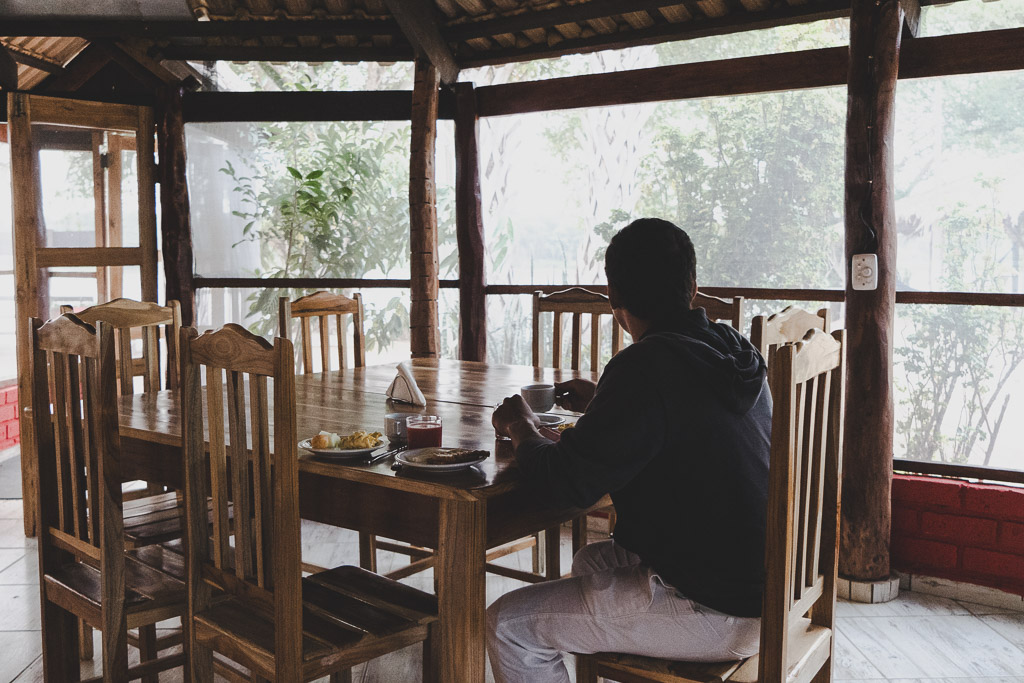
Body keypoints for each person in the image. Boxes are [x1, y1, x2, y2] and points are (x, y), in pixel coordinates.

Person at [488, 218, 771, 683]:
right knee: (591, 562)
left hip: (717, 607)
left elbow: (568, 483)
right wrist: (605, 399)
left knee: (507, 625)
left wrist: (521, 426)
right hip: (765, 584)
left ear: (614, 302)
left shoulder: (645, 365)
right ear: (693, 287)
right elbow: (679, 418)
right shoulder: (732, 349)